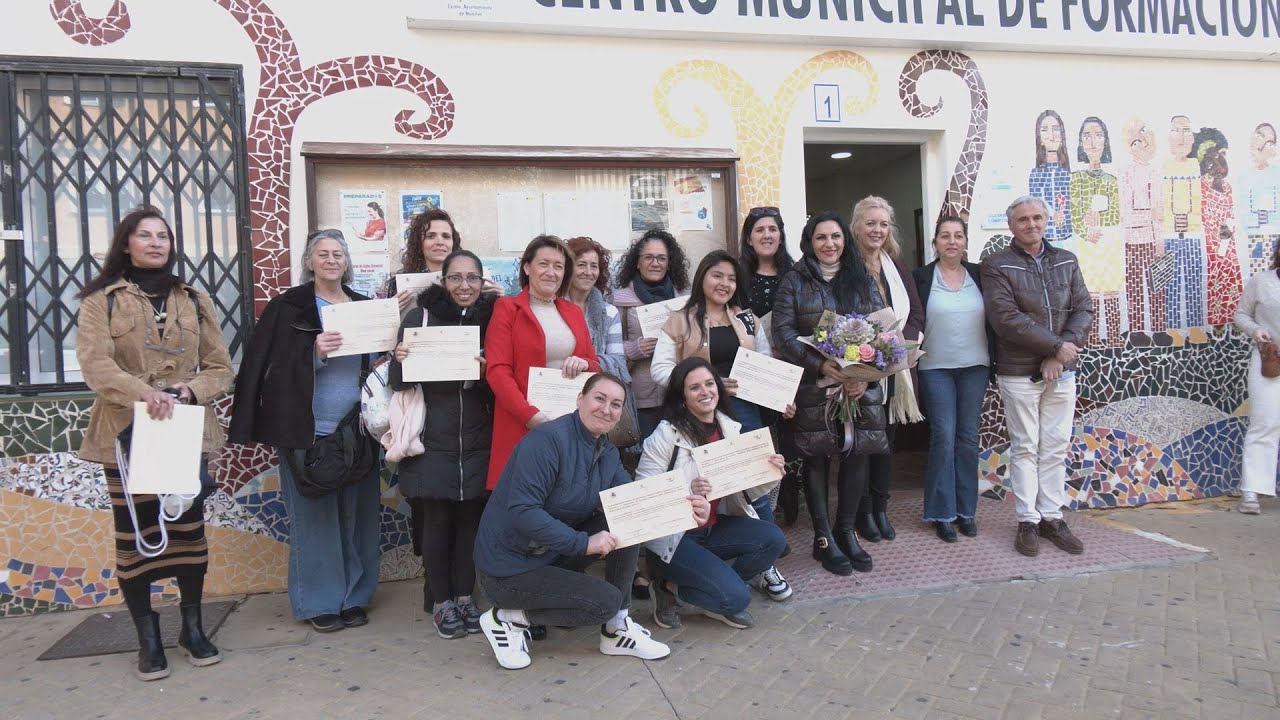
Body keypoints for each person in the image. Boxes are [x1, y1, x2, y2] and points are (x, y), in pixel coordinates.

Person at [76, 206, 234, 681]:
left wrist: (188, 390)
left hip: (182, 430)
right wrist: (143, 392)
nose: (155, 243)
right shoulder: (101, 300)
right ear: (126, 245)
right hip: (125, 432)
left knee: (188, 531)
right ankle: (148, 640)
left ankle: (192, 629)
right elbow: (95, 364)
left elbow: (220, 367)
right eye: (144, 235)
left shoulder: (194, 299)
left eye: (162, 236)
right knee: (136, 536)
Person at [474, 373, 686, 670]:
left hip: (549, 554)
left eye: (616, 404)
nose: (606, 409)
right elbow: (524, 511)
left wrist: (686, 504)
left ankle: (617, 629)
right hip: (509, 569)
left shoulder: (606, 451)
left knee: (625, 519)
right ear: (580, 399)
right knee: (603, 602)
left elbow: (633, 502)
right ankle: (506, 619)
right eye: (599, 398)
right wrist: (583, 543)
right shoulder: (547, 441)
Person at [228, 229, 382, 633]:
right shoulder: (288, 307)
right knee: (315, 520)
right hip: (308, 430)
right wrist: (313, 353)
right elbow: (266, 367)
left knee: (358, 517)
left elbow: (377, 361)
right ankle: (320, 601)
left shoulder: (363, 306)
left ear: (347, 262)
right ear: (309, 261)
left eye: (338, 254)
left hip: (359, 430)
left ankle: (355, 597)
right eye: (323, 254)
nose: (331, 260)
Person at [771, 210, 885, 575]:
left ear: (844, 240)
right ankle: (823, 537)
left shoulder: (861, 277)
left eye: (835, 236)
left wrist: (864, 375)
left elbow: (880, 329)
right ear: (809, 242)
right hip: (814, 386)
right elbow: (782, 333)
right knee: (816, 457)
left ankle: (845, 531)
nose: (829, 244)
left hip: (857, 388)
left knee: (857, 453)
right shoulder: (794, 280)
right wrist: (820, 364)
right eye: (821, 237)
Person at [389, 250, 495, 639]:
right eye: (455, 277)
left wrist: (487, 372)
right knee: (436, 522)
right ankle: (441, 602)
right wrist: (399, 358)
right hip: (430, 439)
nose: (464, 285)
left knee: (470, 522)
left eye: (472, 278)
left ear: (482, 282)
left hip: (478, 439)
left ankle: (465, 597)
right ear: (443, 281)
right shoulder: (420, 318)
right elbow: (398, 383)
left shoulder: (492, 320)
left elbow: (501, 384)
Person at [639, 358, 790, 629]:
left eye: (709, 384)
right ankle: (668, 587)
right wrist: (688, 491)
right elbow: (644, 497)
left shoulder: (729, 428)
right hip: (675, 539)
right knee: (737, 599)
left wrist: (768, 471)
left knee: (773, 539)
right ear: (682, 397)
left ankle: (700, 588)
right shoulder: (665, 435)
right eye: (694, 387)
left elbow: (744, 492)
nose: (705, 392)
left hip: (712, 529)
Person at [981, 196, 1092, 558]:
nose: (1031, 224)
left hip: (1062, 370)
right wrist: (1055, 348)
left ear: (1046, 221)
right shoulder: (996, 264)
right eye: (1023, 219)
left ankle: (1052, 517)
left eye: (1037, 218)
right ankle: (1028, 519)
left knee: (1056, 446)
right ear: (1011, 226)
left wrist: (1060, 354)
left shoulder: (1067, 259)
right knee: (1026, 446)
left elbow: (1083, 308)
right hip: (1018, 371)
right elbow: (1005, 318)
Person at [486, 235, 601, 491]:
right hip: (522, 423)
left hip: (570, 426)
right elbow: (498, 371)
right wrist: (529, 416)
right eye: (544, 264)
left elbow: (594, 364)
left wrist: (584, 363)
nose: (551, 272)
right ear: (527, 267)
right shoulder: (507, 308)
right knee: (525, 499)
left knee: (566, 499)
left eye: (558, 266)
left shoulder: (572, 312)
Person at [913, 216, 993, 542]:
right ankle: (942, 513)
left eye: (958, 235)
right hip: (935, 368)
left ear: (965, 242)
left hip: (976, 367)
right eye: (945, 236)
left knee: (968, 438)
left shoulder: (981, 275)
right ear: (935, 242)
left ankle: (966, 511)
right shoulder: (921, 278)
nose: (952, 241)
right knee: (944, 436)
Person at [849, 196, 924, 543]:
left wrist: (901, 346)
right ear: (856, 227)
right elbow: (843, 315)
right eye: (870, 223)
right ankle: (862, 511)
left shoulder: (897, 266)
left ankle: (881, 508)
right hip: (861, 367)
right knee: (864, 442)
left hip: (896, 367)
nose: (877, 230)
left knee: (886, 442)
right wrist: (866, 355)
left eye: (883, 224)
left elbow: (916, 313)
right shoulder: (846, 266)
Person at [741, 205, 804, 526]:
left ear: (781, 235)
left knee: (790, 440)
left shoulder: (797, 274)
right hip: (750, 374)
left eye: (772, 229)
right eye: (759, 230)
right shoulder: (737, 277)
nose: (767, 235)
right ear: (749, 238)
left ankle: (790, 504)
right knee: (760, 442)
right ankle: (761, 510)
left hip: (791, 371)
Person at [610, 229, 691, 440]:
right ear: (637, 262)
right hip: (640, 396)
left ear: (669, 263)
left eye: (661, 258)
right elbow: (609, 347)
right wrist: (634, 349)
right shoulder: (620, 299)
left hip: (678, 394)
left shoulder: (684, 300)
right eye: (648, 257)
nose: (655, 263)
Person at [1233, 242, 1280, 514]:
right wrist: (1255, 330)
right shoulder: (1262, 282)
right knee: (1264, 423)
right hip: (1269, 360)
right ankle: (1251, 490)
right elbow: (1240, 315)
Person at [390, 207, 502, 313]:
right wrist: (389, 312)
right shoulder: (398, 285)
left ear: (453, 242)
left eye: (446, 236)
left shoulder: (478, 280)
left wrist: (500, 301)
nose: (440, 242)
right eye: (431, 236)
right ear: (419, 243)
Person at [563, 236, 631, 400]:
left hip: (597, 395)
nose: (588, 272)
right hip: (559, 388)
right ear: (567, 268)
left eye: (594, 266)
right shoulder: (552, 309)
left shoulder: (610, 312)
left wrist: (588, 363)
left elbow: (618, 362)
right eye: (581, 265)